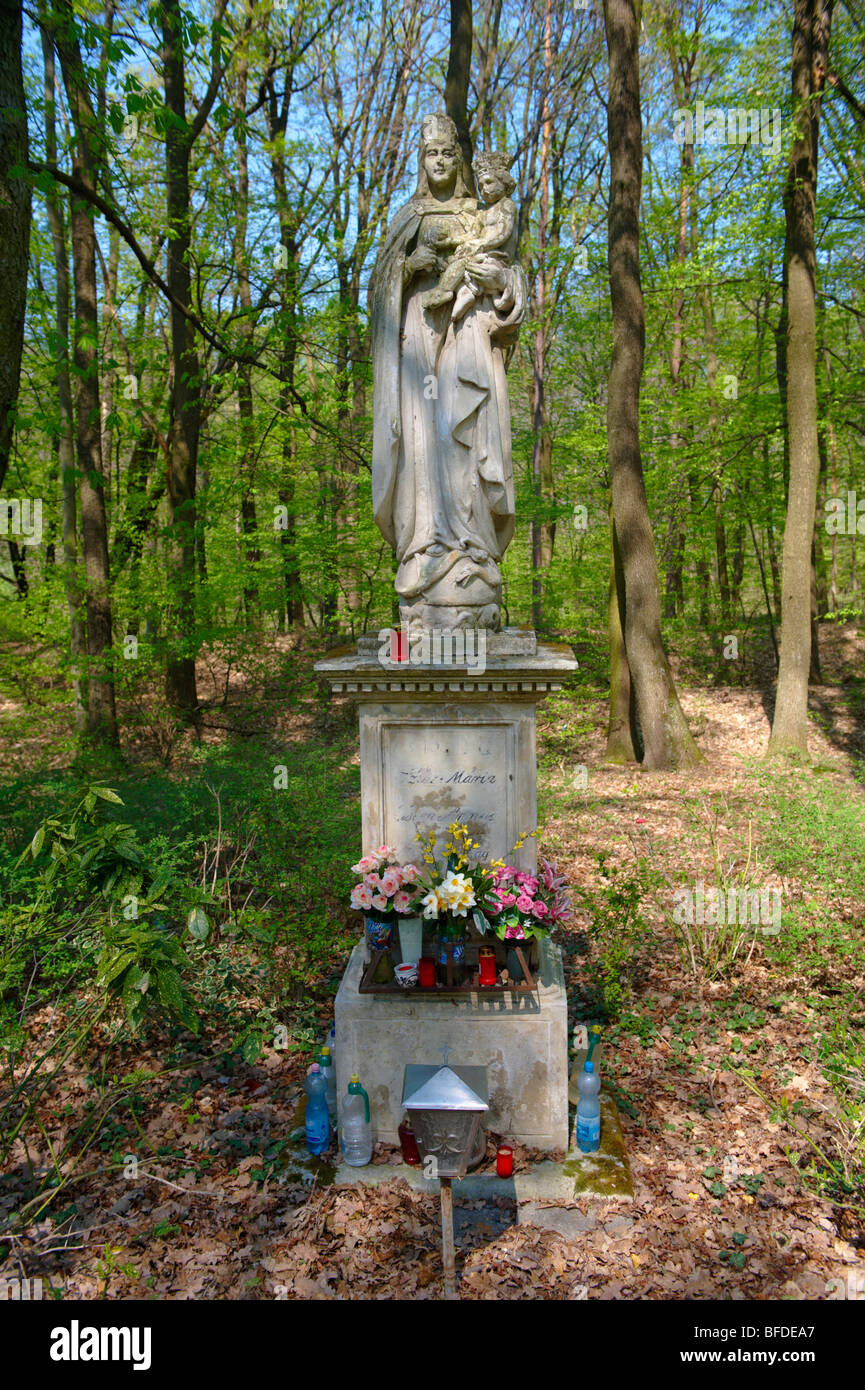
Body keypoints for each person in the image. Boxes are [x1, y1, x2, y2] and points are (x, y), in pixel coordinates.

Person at [368, 115, 527, 632]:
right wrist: (408, 269)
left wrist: (499, 279)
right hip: (417, 342)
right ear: (421, 160)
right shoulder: (408, 216)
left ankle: (472, 551)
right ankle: (425, 548)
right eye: (430, 152)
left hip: (465, 340)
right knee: (422, 444)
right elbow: (379, 292)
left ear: (458, 160)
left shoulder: (480, 215)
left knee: (462, 439)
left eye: (446, 152)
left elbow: (509, 281)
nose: (439, 161)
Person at [420, 150, 518, 322]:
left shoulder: (507, 206)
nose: (484, 190)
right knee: (458, 262)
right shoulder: (483, 211)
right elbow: (471, 234)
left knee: (464, 263)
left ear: (504, 183)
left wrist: (481, 244)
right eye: (480, 186)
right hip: (481, 252)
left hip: (496, 256)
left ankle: (444, 291)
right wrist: (448, 242)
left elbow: (503, 233)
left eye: (489, 183)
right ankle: (464, 293)